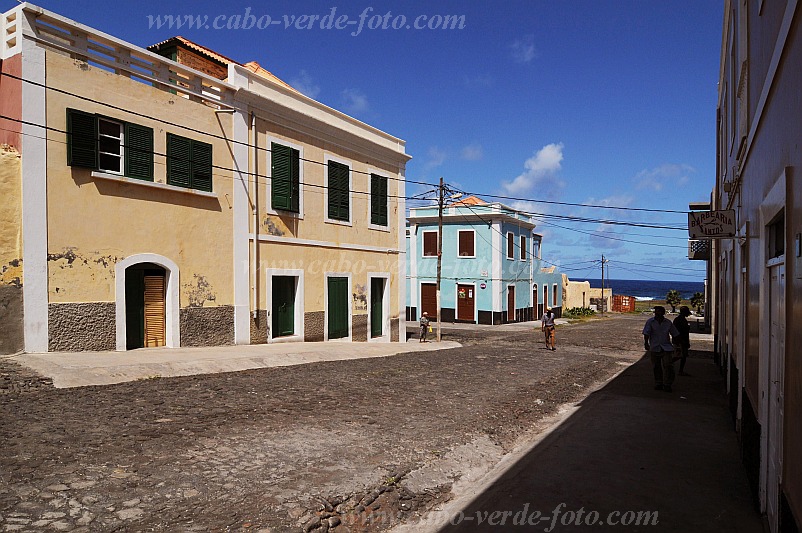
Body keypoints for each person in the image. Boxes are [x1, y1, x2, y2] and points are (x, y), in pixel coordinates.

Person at [643, 306, 680, 392]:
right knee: (656, 366)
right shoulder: (650, 322)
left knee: (668, 366)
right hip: (655, 347)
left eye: (659, 312)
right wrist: (646, 343)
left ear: (663, 313)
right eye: (656, 312)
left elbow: (675, 334)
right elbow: (646, 333)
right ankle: (658, 383)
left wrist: (677, 346)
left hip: (666, 347)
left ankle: (667, 384)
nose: (657, 314)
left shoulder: (668, 323)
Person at [673, 306, 692, 376]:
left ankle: (680, 370)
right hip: (680, 341)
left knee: (682, 356)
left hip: (682, 340)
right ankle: (677, 369)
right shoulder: (680, 320)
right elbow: (677, 331)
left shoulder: (681, 319)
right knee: (680, 355)